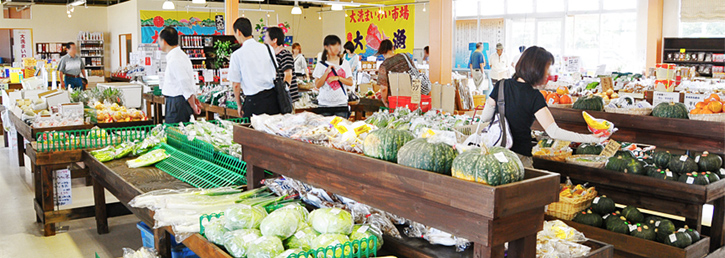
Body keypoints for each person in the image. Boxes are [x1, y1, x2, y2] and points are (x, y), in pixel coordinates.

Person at [479, 46, 606, 168]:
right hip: (519, 159)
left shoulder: (501, 85)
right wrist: (591, 138)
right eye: (547, 69)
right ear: (536, 70)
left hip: (495, 154)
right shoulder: (534, 96)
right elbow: (554, 132)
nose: (548, 73)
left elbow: (485, 117)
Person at [229, 17, 281, 118]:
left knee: (253, 133)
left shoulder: (237, 55)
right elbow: (274, 71)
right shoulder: (268, 48)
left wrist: (239, 105)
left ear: (238, 32)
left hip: (254, 102)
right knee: (272, 132)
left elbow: (236, 85)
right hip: (272, 100)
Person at [157, 26, 202, 123]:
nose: (158, 43)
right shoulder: (179, 55)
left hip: (177, 104)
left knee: (175, 133)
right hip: (178, 102)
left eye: (159, 40)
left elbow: (184, 81)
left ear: (164, 41)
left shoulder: (175, 58)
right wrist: (193, 99)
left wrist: (193, 104)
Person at [313, 35, 354, 118]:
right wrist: (326, 73)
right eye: (333, 45)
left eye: (338, 45)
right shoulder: (321, 65)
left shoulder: (344, 63)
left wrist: (338, 78)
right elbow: (317, 85)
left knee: (341, 130)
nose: (337, 47)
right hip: (324, 105)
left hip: (341, 104)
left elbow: (350, 82)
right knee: (325, 130)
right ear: (326, 47)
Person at [377, 39, 420, 107]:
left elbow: (384, 88)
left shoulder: (384, 66)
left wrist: (384, 101)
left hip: (396, 101)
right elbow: (415, 73)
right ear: (393, 48)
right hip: (412, 98)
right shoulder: (405, 56)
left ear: (381, 51)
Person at [265, 27, 299, 103]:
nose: (264, 40)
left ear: (274, 40)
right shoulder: (273, 55)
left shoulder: (285, 54)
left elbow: (288, 76)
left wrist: (283, 95)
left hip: (286, 100)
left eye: (266, 37)